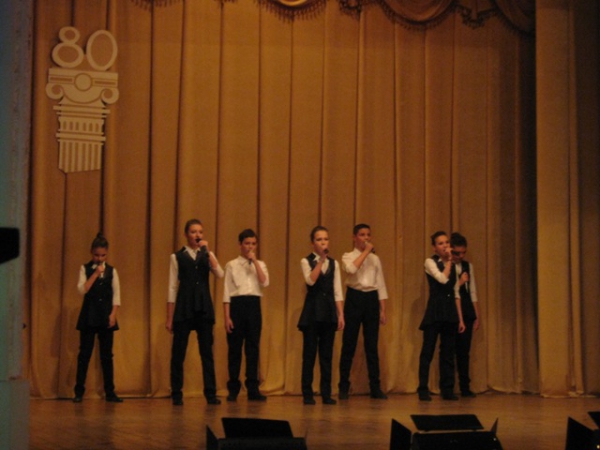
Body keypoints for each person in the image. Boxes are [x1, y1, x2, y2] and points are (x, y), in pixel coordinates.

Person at [166, 219, 224, 405]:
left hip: (203, 308)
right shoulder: (177, 257)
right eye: (193, 232)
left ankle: (210, 393)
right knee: (178, 353)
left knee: (206, 353)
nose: (197, 235)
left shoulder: (207, 254)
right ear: (186, 234)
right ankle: (176, 393)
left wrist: (208, 252)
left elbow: (220, 274)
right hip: (184, 307)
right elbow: (172, 287)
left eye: (200, 232)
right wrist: (170, 317)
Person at [338, 223, 388, 400]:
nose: (366, 238)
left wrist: (382, 309)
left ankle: (375, 387)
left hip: (371, 299)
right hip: (354, 297)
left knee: (371, 346)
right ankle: (344, 386)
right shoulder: (348, 256)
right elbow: (351, 269)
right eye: (362, 235)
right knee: (349, 343)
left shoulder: (375, 259)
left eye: (368, 235)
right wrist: (366, 252)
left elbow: (380, 283)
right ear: (354, 237)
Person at [73, 232, 123, 403]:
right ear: (91, 253)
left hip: (106, 315)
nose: (99, 258)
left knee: (107, 356)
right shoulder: (85, 269)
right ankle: (79, 392)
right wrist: (94, 274)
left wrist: (113, 314)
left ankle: (110, 392)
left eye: (103, 255)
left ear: (107, 254)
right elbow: (82, 290)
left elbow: (117, 295)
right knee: (84, 355)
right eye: (96, 255)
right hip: (89, 315)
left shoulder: (112, 271)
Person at [298, 226, 345, 405]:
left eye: (325, 239)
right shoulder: (306, 261)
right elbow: (310, 280)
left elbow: (337, 290)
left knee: (326, 356)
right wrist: (321, 261)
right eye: (319, 239)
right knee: (309, 355)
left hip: (328, 312)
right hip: (312, 313)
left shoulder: (334, 263)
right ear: (313, 243)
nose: (323, 242)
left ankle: (326, 393)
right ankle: (307, 393)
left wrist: (341, 314)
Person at [417, 231, 465, 401]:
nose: (445, 246)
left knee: (448, 353)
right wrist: (450, 261)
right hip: (435, 310)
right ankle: (423, 388)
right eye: (441, 243)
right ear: (434, 247)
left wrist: (460, 318)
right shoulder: (430, 262)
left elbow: (456, 292)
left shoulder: (455, 266)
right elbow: (442, 279)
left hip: (450, 311)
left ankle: (447, 389)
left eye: (446, 243)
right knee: (427, 351)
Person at [222, 229, 269, 402]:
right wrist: (227, 317)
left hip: (254, 306)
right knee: (234, 349)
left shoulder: (260, 264)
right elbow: (226, 293)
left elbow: (265, 282)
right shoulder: (231, 265)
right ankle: (233, 388)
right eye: (247, 243)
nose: (250, 247)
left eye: (253, 244)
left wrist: (254, 262)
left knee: (253, 348)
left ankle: (253, 388)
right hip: (237, 305)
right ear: (240, 244)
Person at [450, 232, 480, 398]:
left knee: (464, 351)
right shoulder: (445, 265)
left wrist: (476, 314)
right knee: (449, 350)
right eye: (457, 253)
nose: (460, 256)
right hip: (451, 309)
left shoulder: (468, 266)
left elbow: (472, 291)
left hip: (467, 309)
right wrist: (459, 282)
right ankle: (447, 387)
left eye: (463, 253)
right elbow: (445, 289)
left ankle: (465, 386)